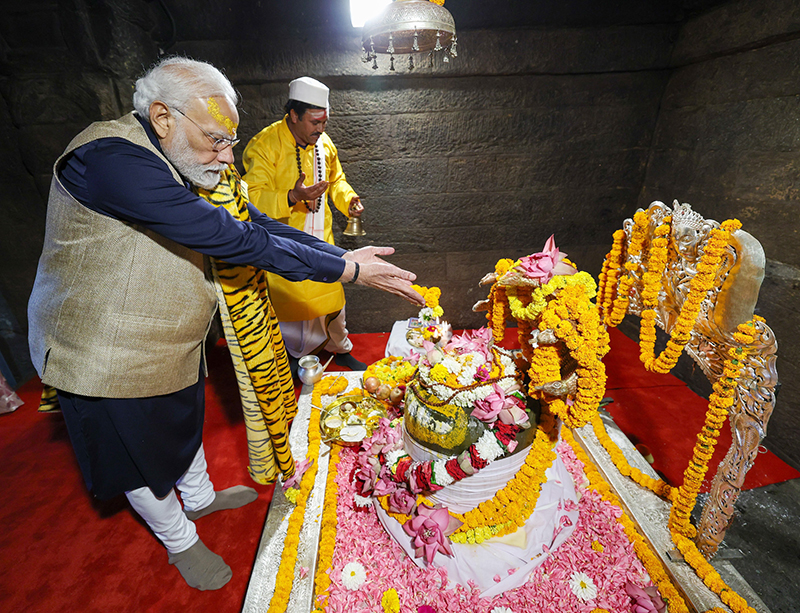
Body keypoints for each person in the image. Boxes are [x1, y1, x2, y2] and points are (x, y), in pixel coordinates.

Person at [27, 56, 423, 592]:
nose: (226, 154)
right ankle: (179, 540)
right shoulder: (110, 159)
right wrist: (349, 271)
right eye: (217, 139)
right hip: (104, 349)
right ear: (163, 117)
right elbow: (233, 238)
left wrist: (339, 252)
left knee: (184, 422)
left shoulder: (185, 153)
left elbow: (252, 221)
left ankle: (202, 497)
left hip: (168, 335)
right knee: (139, 457)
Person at [242, 76, 368, 374]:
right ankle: (292, 359)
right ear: (294, 115)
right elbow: (250, 197)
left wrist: (348, 199)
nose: (321, 129)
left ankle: (339, 348)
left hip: (320, 238)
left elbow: (336, 180)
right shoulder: (264, 145)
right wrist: (291, 196)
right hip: (285, 244)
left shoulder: (324, 144)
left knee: (333, 302)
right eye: (314, 122)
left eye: (324, 122)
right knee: (291, 311)